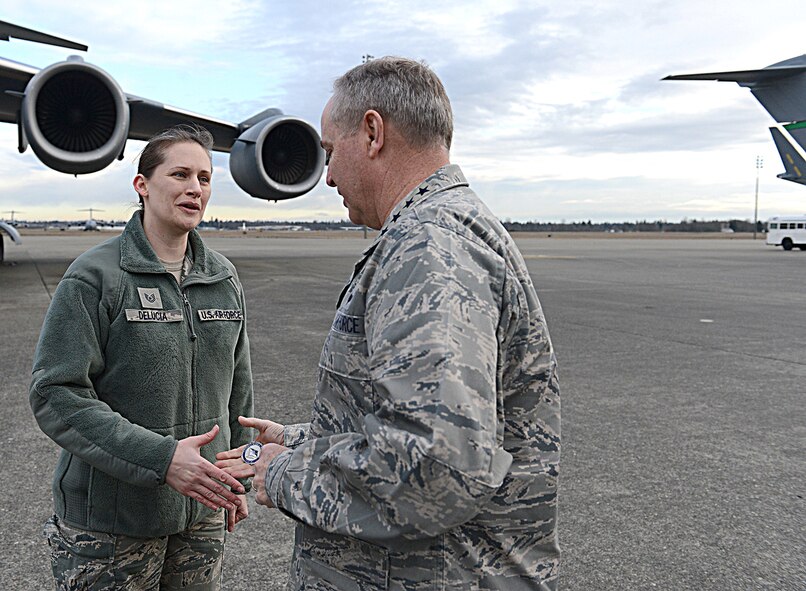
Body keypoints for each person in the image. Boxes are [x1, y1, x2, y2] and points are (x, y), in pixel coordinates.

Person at [218, 56, 561, 590]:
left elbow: (436, 468)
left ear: (373, 133)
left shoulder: (429, 249)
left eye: (331, 152)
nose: (327, 175)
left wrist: (285, 473)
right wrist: (301, 439)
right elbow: (411, 423)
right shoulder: (439, 232)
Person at [29, 124, 254, 590]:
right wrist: (161, 458)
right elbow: (56, 393)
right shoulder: (95, 277)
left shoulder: (222, 278)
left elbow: (238, 392)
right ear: (142, 185)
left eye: (206, 178)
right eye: (181, 174)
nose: (195, 188)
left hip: (201, 516)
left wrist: (237, 475)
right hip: (111, 524)